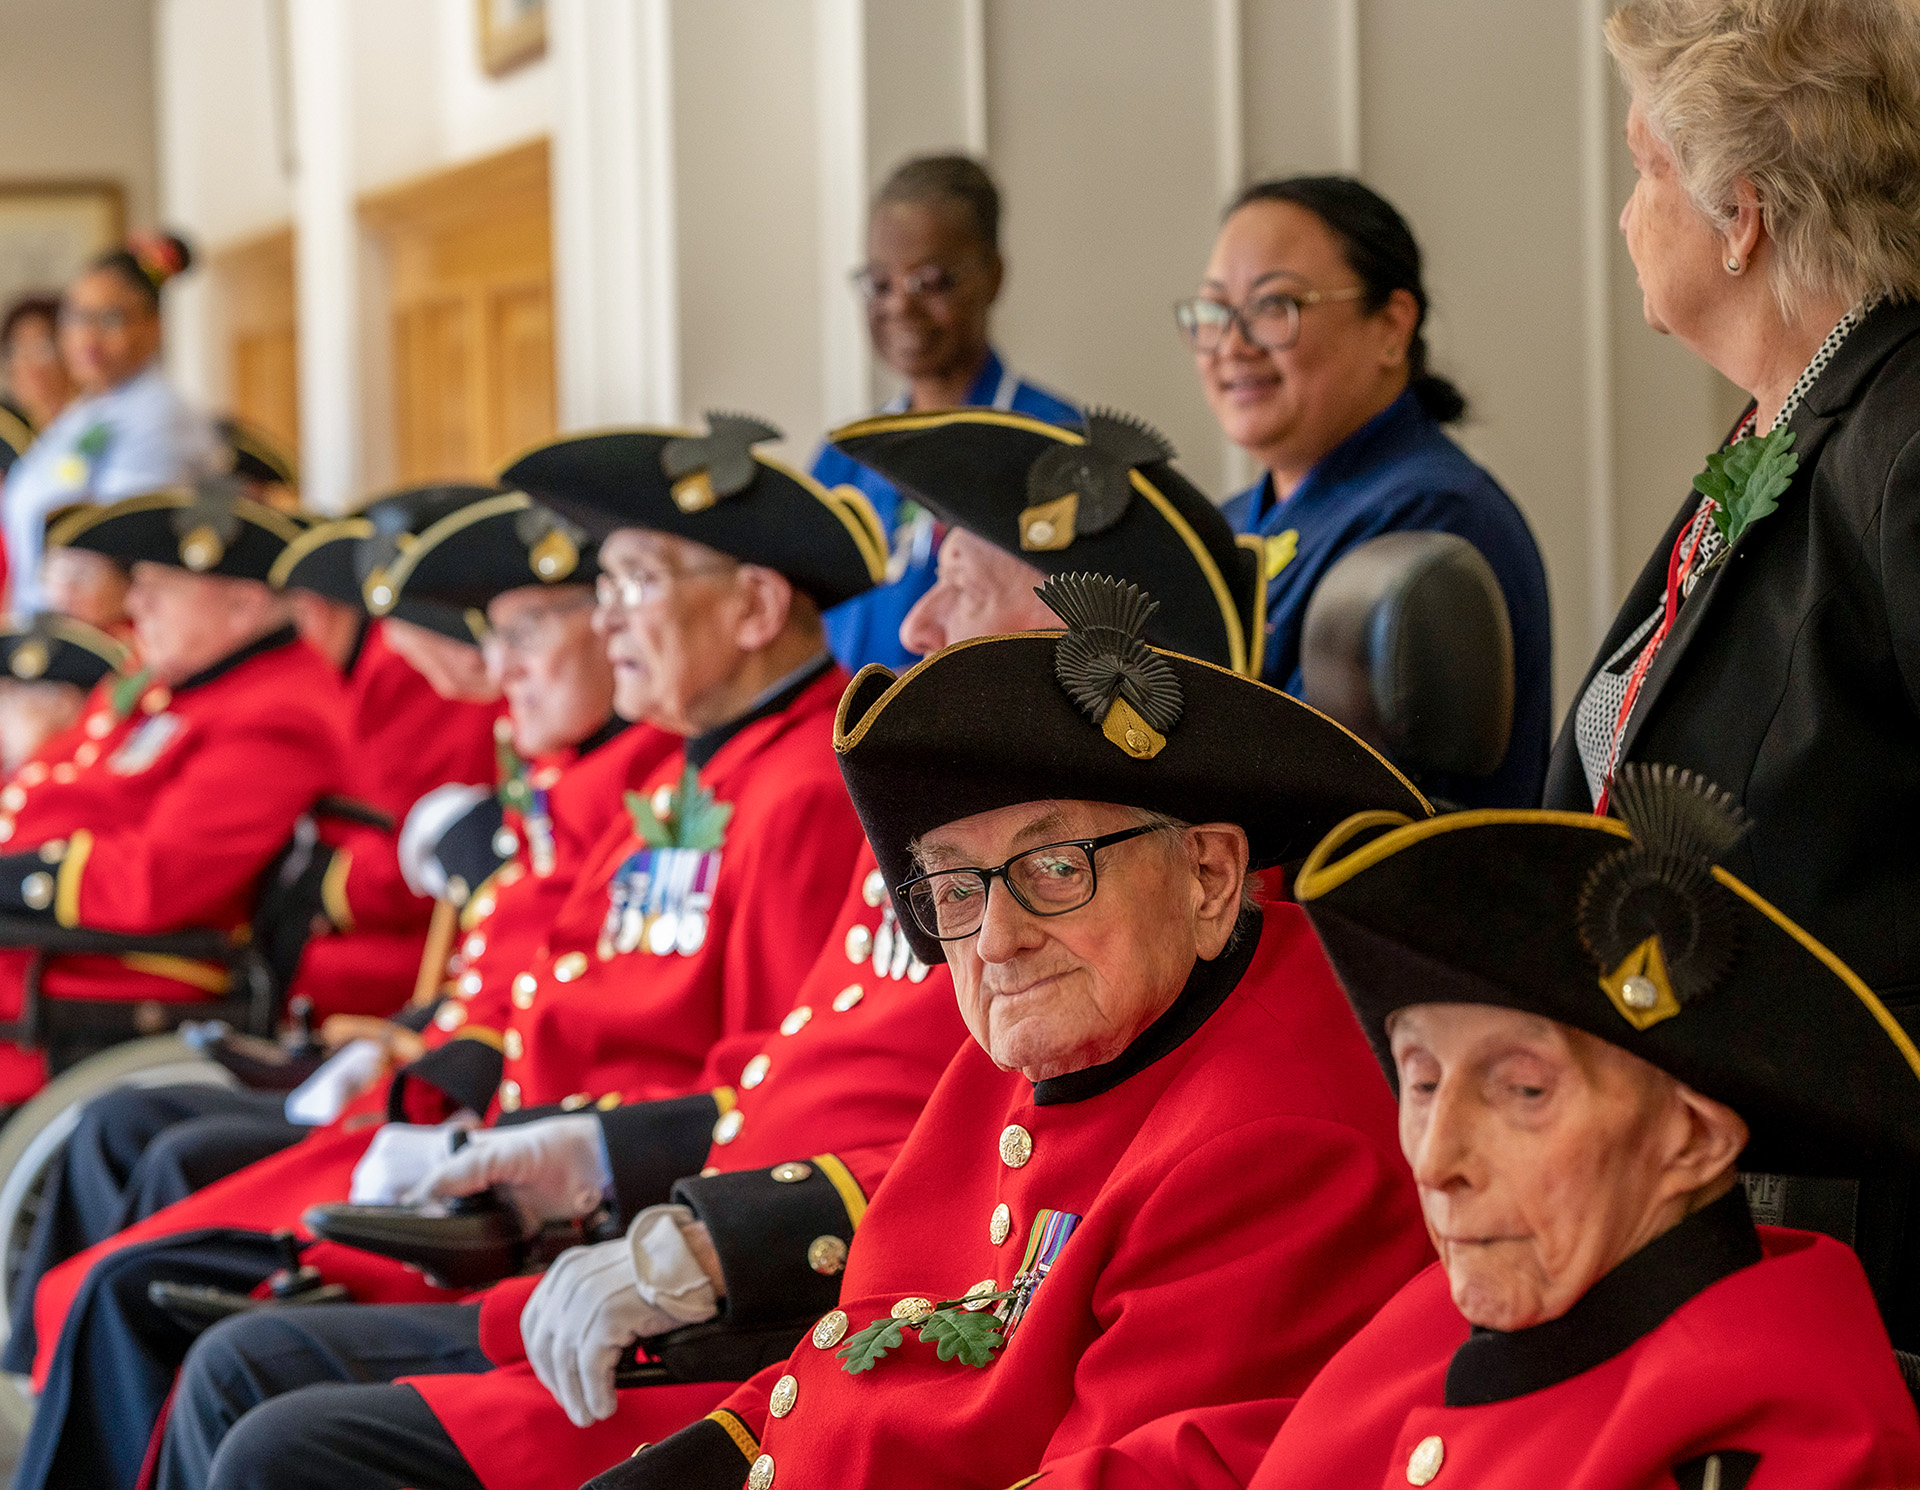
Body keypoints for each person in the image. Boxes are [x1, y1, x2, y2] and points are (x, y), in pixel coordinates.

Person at [142, 405, 1274, 1490]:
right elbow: (790, 1073)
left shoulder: (1106, 912)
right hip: (753, 1286)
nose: (917, 627)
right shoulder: (930, 834)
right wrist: (599, 1157)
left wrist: (714, 1226)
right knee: (208, 1315)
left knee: (257, 1396)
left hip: (777, 1300)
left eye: (960, 589)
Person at [1033, 765, 1920, 1490]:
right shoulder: (1458, 1301)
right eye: (1420, 1082)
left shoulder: (1775, 1445)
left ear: (1692, 1139)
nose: (1438, 1159)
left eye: (1523, 1092)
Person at [1545, 0, 1920, 1011]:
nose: (1626, 217)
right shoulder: (1779, 416)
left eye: (1644, 169)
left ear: (1740, 216)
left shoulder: (1905, 438)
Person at [1183, 176, 1550, 807]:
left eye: (1275, 308)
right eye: (1215, 312)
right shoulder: (1225, 523)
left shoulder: (1431, 518)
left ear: (1390, 325)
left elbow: (1311, 794)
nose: (1233, 346)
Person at [0, 479, 347, 1102]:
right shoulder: (181, 679)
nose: (135, 605)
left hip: (119, 964)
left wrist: (17, 878)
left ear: (242, 607)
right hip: (63, 945)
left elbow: (161, 879)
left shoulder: (276, 712)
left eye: (158, 590)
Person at [814, 154, 1078, 673]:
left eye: (929, 282)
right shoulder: (846, 455)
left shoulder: (1051, 444)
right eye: (879, 283)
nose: (899, 306)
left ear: (992, 276)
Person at [1, 234, 218, 614]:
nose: (88, 336)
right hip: (45, 632)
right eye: (76, 316)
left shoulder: (157, 413)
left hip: (99, 641)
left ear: (154, 326)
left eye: (111, 318)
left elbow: (123, 548)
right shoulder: (86, 410)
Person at [0, 613, 129, 772]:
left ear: (63, 705)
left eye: (13, 701)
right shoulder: (20, 772)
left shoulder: (67, 779)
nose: (3, 717)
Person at [0, 294, 74, 456]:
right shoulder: (7, 432)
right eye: (16, 351)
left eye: (42, 348)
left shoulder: (91, 420)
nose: (28, 364)